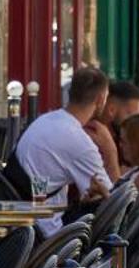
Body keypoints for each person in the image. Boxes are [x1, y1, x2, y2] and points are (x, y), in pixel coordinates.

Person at [13, 66, 113, 236]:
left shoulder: (44, 120)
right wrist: (110, 150)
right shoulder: (80, 142)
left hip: (22, 223)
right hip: (47, 234)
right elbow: (113, 200)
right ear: (101, 99)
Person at [87, 80, 139, 182]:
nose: (136, 123)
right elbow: (115, 189)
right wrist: (110, 151)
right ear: (111, 110)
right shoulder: (94, 136)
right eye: (131, 115)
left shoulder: (118, 135)